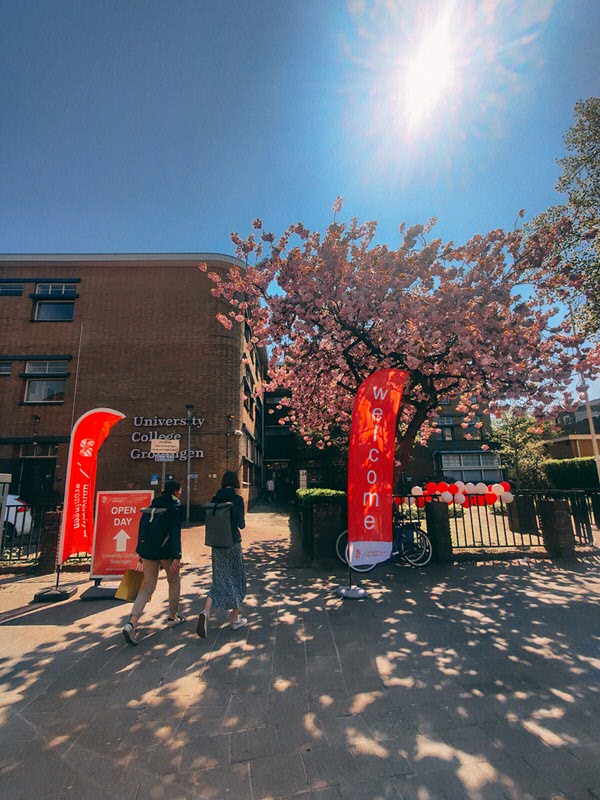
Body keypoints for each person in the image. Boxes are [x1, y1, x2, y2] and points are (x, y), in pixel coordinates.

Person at [122, 479, 185, 646]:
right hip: (166, 552)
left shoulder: (152, 506)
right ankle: (173, 616)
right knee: (174, 581)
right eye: (180, 490)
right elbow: (174, 532)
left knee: (148, 587)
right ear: (176, 492)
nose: (181, 493)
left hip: (148, 551)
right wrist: (177, 555)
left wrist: (141, 552)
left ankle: (132, 622)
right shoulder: (174, 507)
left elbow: (142, 529)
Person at [196, 470, 247, 638]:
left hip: (216, 544)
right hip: (232, 543)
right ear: (235, 482)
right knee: (237, 577)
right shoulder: (237, 499)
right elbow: (241, 524)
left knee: (219, 578)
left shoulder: (214, 499)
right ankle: (235, 617)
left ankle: (206, 611)